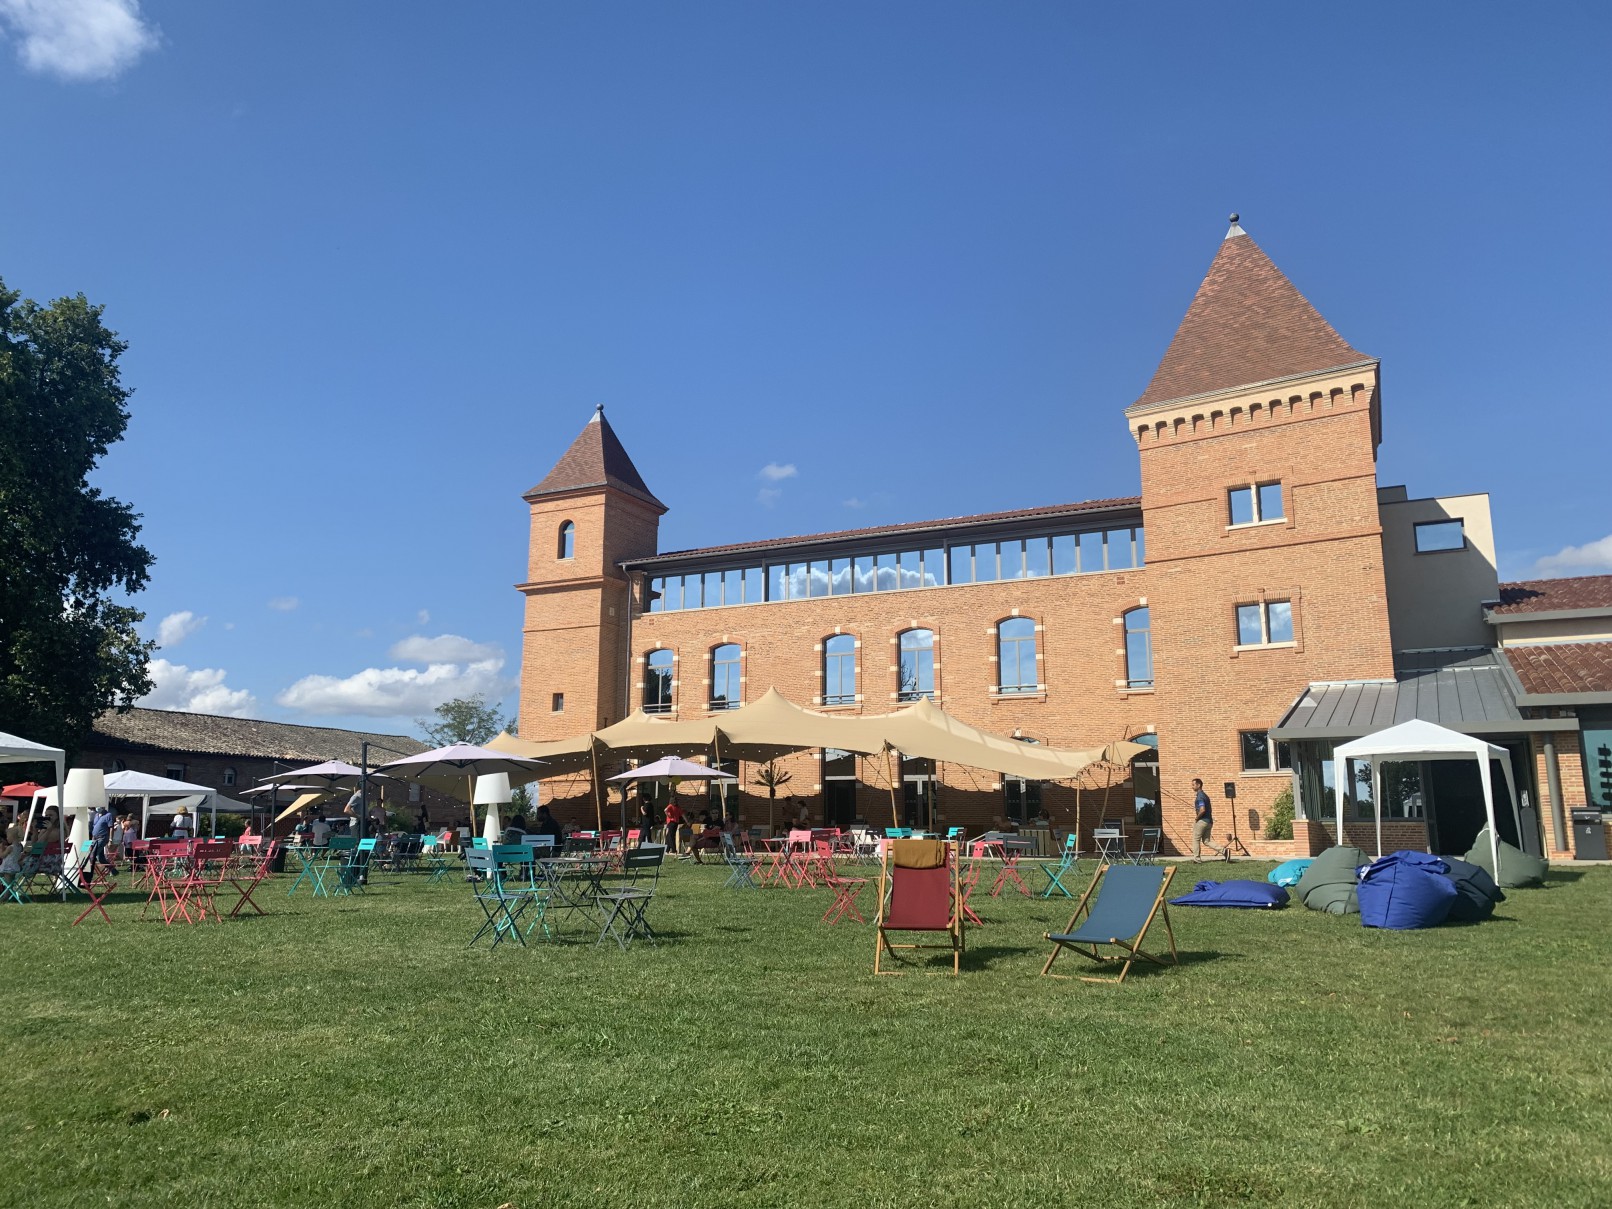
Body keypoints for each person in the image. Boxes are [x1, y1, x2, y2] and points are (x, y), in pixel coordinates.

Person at [1191, 778, 1227, 861]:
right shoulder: (1205, 796)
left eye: (1193, 785)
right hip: (1209, 821)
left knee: (1196, 839)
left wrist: (1197, 818)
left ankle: (1196, 859)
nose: (1192, 787)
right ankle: (1224, 850)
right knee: (1206, 841)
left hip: (1202, 821)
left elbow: (1202, 809)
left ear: (1198, 785)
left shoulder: (1200, 796)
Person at [86, 804, 117, 882]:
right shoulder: (96, 815)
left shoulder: (108, 815)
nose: (98, 808)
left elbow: (111, 828)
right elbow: (94, 826)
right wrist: (92, 838)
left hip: (102, 838)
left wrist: (110, 840)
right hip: (95, 838)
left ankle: (88, 874)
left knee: (93, 854)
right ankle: (113, 870)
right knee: (100, 859)